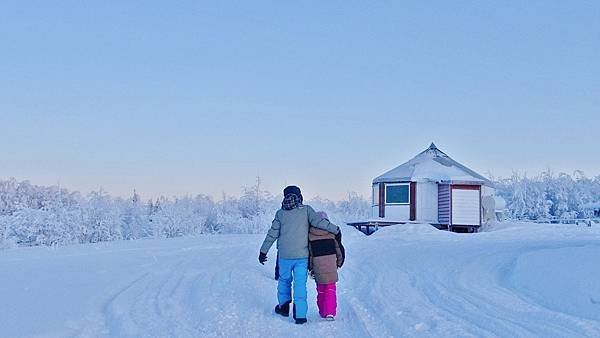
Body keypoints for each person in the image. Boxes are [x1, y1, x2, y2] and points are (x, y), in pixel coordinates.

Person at [258, 185, 339, 324]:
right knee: (300, 284)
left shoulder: (280, 213)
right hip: (302, 256)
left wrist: (263, 251)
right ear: (299, 196)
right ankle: (300, 315)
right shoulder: (306, 210)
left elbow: (272, 234)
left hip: (284, 256)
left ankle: (283, 307)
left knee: (284, 281)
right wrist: (335, 229)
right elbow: (320, 223)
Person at [308, 211, 345, 320]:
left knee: (321, 289)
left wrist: (310, 267)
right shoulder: (331, 233)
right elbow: (338, 250)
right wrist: (339, 262)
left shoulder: (310, 235)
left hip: (317, 265)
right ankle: (329, 312)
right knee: (330, 289)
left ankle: (322, 311)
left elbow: (310, 253)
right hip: (331, 265)